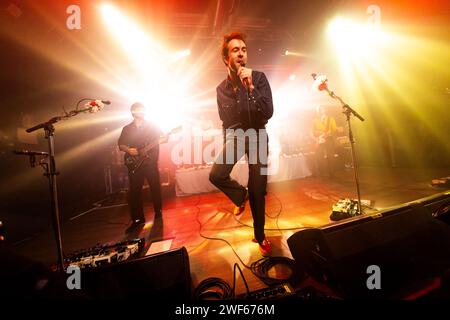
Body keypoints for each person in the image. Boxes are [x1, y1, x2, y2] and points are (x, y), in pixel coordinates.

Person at [209, 32, 274, 256]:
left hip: (258, 135)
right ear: (226, 58)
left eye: (244, 49)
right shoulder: (221, 90)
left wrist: (251, 89)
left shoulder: (259, 78)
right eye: (235, 50)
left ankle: (260, 235)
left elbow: (268, 112)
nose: (241, 53)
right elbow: (226, 121)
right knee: (216, 175)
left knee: (258, 190)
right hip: (236, 136)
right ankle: (240, 195)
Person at [118, 102, 167, 233]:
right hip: (134, 163)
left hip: (150, 162)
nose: (142, 111)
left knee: (155, 187)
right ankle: (137, 219)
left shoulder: (152, 125)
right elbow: (121, 144)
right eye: (139, 109)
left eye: (143, 109)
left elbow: (163, 138)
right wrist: (129, 150)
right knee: (134, 192)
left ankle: (158, 212)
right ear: (133, 111)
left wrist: (164, 139)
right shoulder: (127, 128)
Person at [310, 105, 337, 177]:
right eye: (319, 109)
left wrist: (328, 134)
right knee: (319, 156)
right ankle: (321, 173)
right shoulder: (315, 120)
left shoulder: (331, 119)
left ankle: (332, 173)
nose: (321, 110)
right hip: (319, 139)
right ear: (317, 111)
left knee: (331, 156)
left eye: (322, 108)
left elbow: (334, 129)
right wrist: (319, 134)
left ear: (325, 109)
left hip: (329, 139)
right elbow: (312, 131)